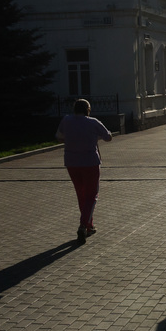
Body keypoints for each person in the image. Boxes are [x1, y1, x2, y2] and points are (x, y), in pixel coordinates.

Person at [56, 99, 112, 244]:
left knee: (81, 194)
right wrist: (95, 137)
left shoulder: (66, 120)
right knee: (91, 195)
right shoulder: (93, 122)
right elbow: (108, 137)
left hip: (71, 162)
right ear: (88, 109)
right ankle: (83, 225)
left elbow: (58, 137)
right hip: (90, 162)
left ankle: (89, 225)